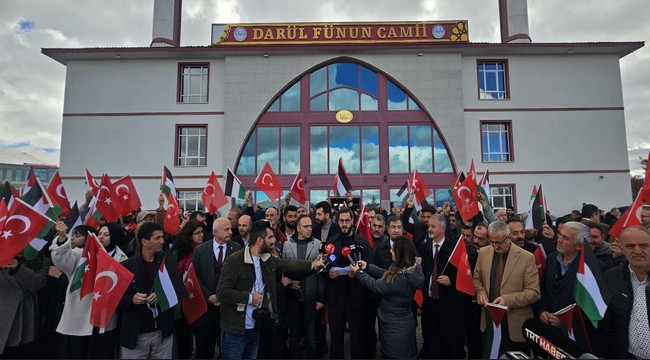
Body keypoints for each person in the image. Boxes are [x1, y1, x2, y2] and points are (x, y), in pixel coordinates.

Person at [216, 220, 324, 359]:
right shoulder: (234, 261)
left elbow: (289, 265)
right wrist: (249, 298)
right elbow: (222, 293)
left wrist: (313, 265)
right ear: (260, 240)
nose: (274, 241)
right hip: (236, 330)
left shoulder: (268, 259)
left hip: (256, 327)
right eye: (270, 237)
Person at [49, 222, 128, 359]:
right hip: (79, 318)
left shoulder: (122, 259)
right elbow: (61, 260)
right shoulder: (81, 254)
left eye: (106, 234)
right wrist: (62, 238)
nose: (101, 237)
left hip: (105, 321)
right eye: (99, 234)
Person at [118, 221, 186, 359]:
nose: (162, 241)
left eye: (162, 237)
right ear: (144, 241)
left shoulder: (168, 262)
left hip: (162, 333)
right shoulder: (126, 267)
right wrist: (132, 299)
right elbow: (115, 301)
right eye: (157, 238)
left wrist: (161, 296)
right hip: (135, 334)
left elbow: (178, 290)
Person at [350, 235, 424, 359]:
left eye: (393, 249)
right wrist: (368, 267)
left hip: (395, 328)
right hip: (401, 322)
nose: (390, 251)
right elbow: (386, 274)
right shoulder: (409, 269)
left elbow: (375, 285)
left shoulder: (400, 279)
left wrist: (358, 272)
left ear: (399, 253)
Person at [474, 221, 540, 356]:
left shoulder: (526, 258)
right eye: (491, 241)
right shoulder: (483, 253)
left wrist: (507, 300)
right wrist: (480, 292)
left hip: (514, 324)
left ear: (509, 238)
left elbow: (534, 292)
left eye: (499, 242)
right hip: (489, 322)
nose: (495, 246)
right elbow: (477, 278)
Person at [538, 221, 603, 355]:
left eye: (565, 238)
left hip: (576, 338)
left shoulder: (594, 269)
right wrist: (542, 310)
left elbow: (595, 307)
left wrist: (567, 321)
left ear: (579, 246)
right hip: (550, 333)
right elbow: (544, 289)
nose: (559, 240)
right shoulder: (551, 259)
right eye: (560, 235)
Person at [324, 206, 373, 359]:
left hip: (356, 298)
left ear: (352, 221)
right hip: (336, 298)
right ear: (337, 222)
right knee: (336, 338)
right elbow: (325, 265)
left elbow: (370, 266)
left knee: (357, 338)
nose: (344, 224)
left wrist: (358, 273)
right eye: (341, 221)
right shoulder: (331, 242)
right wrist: (328, 272)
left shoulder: (362, 242)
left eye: (347, 220)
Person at [192, 217, 242, 359]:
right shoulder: (200, 250)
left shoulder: (237, 249)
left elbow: (240, 277)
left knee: (227, 350)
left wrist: (226, 296)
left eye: (230, 229)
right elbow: (196, 277)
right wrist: (208, 296)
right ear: (215, 232)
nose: (230, 232)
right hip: (206, 310)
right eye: (226, 229)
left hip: (228, 310)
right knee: (204, 350)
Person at [419, 213, 465, 358]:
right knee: (432, 343)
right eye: (429, 226)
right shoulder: (424, 248)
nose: (430, 229)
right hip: (429, 305)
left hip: (449, 306)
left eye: (433, 226)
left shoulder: (454, 249)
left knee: (450, 344)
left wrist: (451, 280)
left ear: (443, 228)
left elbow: (464, 275)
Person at [601, 226, 650, 359]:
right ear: (622, 249)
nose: (637, 251)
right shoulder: (610, 278)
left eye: (644, 245)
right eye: (630, 246)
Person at [281, 215, 325, 359]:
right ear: (298, 228)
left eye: (310, 226)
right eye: (305, 226)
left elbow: (321, 274)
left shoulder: (318, 244)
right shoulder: (287, 245)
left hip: (311, 298)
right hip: (293, 298)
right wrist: (287, 282)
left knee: (311, 337)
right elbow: (284, 269)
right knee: (294, 336)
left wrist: (320, 298)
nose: (309, 229)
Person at [171, 220, 205, 359]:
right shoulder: (176, 253)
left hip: (199, 299)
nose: (201, 235)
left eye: (202, 232)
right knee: (182, 338)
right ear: (188, 235)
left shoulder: (204, 251)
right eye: (197, 233)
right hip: (180, 301)